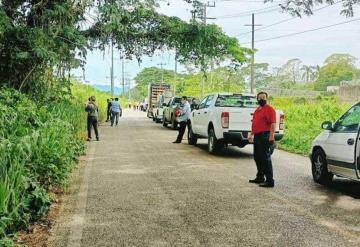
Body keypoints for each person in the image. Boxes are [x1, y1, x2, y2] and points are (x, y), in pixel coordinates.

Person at [248, 92, 276, 188]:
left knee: (265, 158)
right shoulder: (257, 110)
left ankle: (270, 180)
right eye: (260, 98)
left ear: (266, 98)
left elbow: (272, 123)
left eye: (263, 98)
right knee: (257, 157)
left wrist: (271, 136)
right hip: (257, 136)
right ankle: (260, 177)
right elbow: (255, 124)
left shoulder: (269, 109)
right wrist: (251, 134)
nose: (262, 99)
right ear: (257, 99)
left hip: (265, 135)